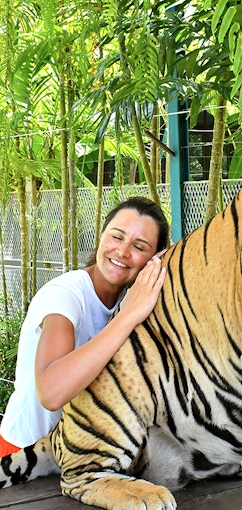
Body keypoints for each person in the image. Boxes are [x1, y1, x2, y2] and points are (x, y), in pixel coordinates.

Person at [0, 196, 169, 457]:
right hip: (24, 455)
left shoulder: (132, 300)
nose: (123, 251)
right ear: (101, 237)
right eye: (116, 236)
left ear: (153, 260)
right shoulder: (65, 294)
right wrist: (128, 316)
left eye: (139, 246)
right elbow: (51, 392)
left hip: (84, 456)